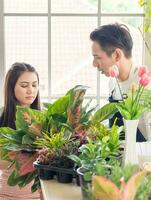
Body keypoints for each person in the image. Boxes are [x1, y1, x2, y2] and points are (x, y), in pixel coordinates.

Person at [90, 23, 150, 141]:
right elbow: (117, 123)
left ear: (117, 55)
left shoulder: (146, 87)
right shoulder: (113, 82)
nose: (94, 64)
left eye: (97, 57)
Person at [0, 62, 41, 200]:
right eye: (24, 85)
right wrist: (23, 159)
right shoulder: (2, 118)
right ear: (11, 87)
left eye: (34, 85)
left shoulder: (44, 118)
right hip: (8, 194)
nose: (31, 90)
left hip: (39, 193)